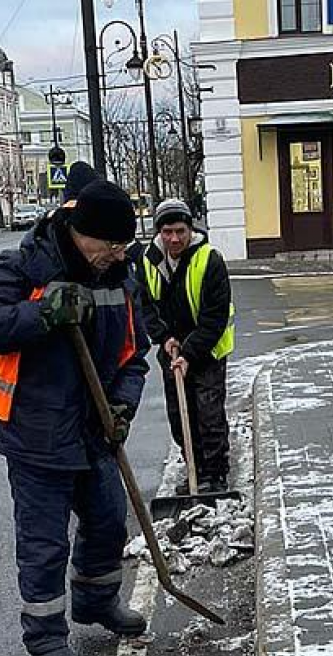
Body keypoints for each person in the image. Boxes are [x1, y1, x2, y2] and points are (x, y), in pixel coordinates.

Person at [0, 180, 150, 656]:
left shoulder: (119, 277)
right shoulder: (25, 266)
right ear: (81, 234)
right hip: (36, 432)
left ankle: (96, 600)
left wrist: (121, 406)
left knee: (109, 521)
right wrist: (43, 313)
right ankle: (45, 638)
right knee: (44, 543)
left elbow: (134, 356)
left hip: (94, 430)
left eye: (122, 247)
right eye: (108, 246)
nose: (114, 255)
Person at [136, 199, 235, 494]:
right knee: (180, 415)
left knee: (208, 414)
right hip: (171, 349)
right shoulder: (149, 261)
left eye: (180, 231)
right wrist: (164, 338)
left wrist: (190, 353)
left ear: (190, 229)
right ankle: (194, 467)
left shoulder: (209, 260)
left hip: (207, 349)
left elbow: (215, 317)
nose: (174, 239)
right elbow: (145, 308)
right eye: (167, 232)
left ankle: (215, 474)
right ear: (159, 232)